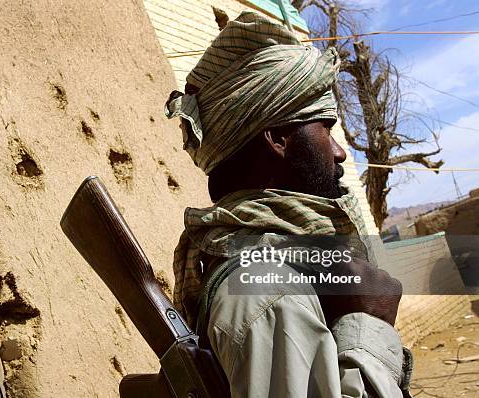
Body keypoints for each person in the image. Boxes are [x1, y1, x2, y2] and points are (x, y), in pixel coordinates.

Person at [165, 11, 412, 398]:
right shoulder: (271, 295)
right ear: (278, 138)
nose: (340, 152)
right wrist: (370, 325)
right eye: (326, 127)